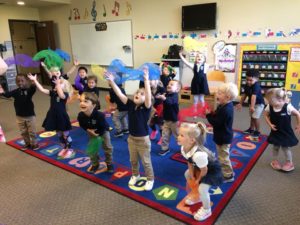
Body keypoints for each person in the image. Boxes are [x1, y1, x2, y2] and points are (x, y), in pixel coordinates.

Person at [105, 68, 155, 191]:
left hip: (143, 140)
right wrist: (112, 82)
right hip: (131, 139)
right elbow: (120, 94)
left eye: (141, 94)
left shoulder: (146, 107)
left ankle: (150, 179)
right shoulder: (131, 104)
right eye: (137, 93)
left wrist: (146, 80)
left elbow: (148, 96)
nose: (138, 94)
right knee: (133, 160)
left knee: (146, 162)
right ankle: (135, 175)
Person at [178, 122, 223, 221]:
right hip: (200, 167)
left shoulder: (198, 155)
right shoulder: (183, 148)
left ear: (192, 140)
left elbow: (205, 170)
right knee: (187, 174)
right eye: (179, 134)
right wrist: (191, 174)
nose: (178, 137)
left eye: (181, 135)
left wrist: (198, 179)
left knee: (202, 188)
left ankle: (207, 210)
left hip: (211, 171)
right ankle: (197, 196)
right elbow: (189, 161)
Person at [28, 73, 74, 158]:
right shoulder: (52, 93)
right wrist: (35, 80)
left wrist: (58, 84)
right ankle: (64, 148)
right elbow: (42, 89)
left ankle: (69, 149)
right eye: (56, 84)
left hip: (62, 117)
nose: (57, 85)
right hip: (53, 116)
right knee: (59, 134)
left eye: (60, 84)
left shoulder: (65, 94)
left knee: (65, 135)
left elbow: (61, 95)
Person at [206, 82, 238, 182]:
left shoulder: (226, 109)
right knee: (222, 155)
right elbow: (219, 118)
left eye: (220, 93)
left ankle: (228, 176)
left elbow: (216, 122)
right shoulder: (224, 105)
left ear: (227, 97)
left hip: (223, 137)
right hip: (221, 134)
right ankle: (226, 171)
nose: (217, 94)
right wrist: (212, 113)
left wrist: (208, 115)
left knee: (224, 158)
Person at [264, 88, 300, 172]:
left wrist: (298, 124)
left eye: (271, 101)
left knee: (285, 147)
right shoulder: (270, 106)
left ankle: (289, 163)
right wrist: (270, 124)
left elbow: (298, 114)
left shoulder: (288, 106)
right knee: (275, 146)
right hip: (275, 131)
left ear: (281, 100)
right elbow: (265, 115)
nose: (269, 103)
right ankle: (274, 161)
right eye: (269, 101)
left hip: (286, 132)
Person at [77, 92, 114, 173]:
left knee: (108, 148)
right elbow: (82, 125)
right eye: (81, 101)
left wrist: (98, 135)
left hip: (103, 132)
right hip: (91, 132)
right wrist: (88, 130)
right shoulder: (80, 115)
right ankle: (95, 164)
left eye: (85, 101)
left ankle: (109, 163)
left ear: (93, 105)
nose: (82, 103)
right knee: (93, 150)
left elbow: (103, 127)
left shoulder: (99, 115)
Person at [0, 74, 39, 150]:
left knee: (32, 132)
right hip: (19, 116)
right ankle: (27, 143)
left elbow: (33, 88)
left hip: (30, 116)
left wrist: (34, 81)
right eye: (18, 81)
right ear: (16, 82)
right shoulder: (16, 91)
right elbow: (7, 95)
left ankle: (34, 144)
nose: (20, 83)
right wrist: (1, 91)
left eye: (22, 81)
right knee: (23, 131)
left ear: (26, 81)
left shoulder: (29, 90)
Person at [236, 69, 265, 138]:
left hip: (259, 104)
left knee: (255, 117)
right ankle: (251, 129)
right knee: (252, 117)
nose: (248, 82)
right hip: (251, 104)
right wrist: (240, 103)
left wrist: (252, 106)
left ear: (257, 79)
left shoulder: (256, 86)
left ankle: (258, 131)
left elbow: (253, 96)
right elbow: (244, 95)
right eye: (247, 80)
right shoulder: (247, 85)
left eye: (250, 80)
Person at [156, 80, 181, 156]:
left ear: (177, 89)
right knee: (164, 135)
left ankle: (184, 148)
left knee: (178, 136)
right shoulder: (166, 94)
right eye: (169, 84)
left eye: (172, 84)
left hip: (174, 121)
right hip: (166, 120)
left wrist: (164, 98)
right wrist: (161, 87)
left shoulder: (175, 96)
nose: (169, 85)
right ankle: (165, 148)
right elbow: (163, 93)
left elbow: (170, 102)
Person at [149, 79, 165, 145]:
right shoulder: (149, 88)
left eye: (150, 80)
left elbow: (165, 98)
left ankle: (162, 138)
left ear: (156, 81)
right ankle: (154, 131)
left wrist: (162, 97)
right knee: (150, 122)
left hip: (160, 108)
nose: (149, 81)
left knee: (160, 124)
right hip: (152, 107)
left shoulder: (161, 88)